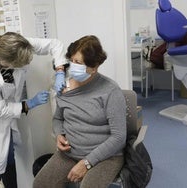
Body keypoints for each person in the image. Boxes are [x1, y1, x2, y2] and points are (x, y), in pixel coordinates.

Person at [0, 32, 67, 188]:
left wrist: (60, 71)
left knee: (9, 155)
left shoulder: (18, 45)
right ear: (7, 63)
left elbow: (55, 43)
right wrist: (29, 104)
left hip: (7, 105)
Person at [33, 35, 127, 188]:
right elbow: (58, 119)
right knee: (41, 184)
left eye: (78, 63)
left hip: (105, 157)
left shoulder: (110, 90)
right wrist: (59, 134)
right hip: (70, 153)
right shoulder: (64, 87)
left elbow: (118, 137)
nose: (72, 66)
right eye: (71, 61)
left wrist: (87, 162)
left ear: (94, 67)